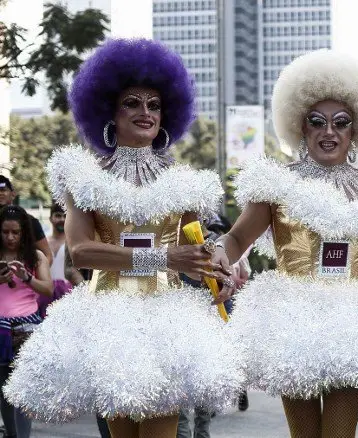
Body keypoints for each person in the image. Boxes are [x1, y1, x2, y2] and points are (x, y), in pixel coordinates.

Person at [4, 38, 244, 438]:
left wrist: (219, 270)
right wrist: (164, 258)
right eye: (132, 102)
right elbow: (81, 251)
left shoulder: (184, 181)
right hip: (107, 317)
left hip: (166, 320)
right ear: (108, 111)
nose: (145, 112)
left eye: (154, 104)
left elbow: (195, 245)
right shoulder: (84, 177)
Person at [212, 50, 358, 437]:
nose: (329, 132)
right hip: (291, 322)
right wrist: (218, 255)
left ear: (355, 130)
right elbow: (237, 237)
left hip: (354, 323)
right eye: (318, 122)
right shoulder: (277, 185)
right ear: (301, 126)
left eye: (341, 123)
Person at [0, 206, 54, 438]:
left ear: (24, 232)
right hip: (1, 330)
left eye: (16, 232)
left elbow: (48, 289)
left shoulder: (36, 256)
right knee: (4, 392)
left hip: (27, 329)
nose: (10, 237)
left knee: (22, 391)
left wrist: (27, 277)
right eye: (5, 232)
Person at [0, 175, 53, 263]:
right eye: (5, 231)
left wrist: (34, 274)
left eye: (2, 190)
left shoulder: (29, 221)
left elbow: (47, 255)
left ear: (13, 194)